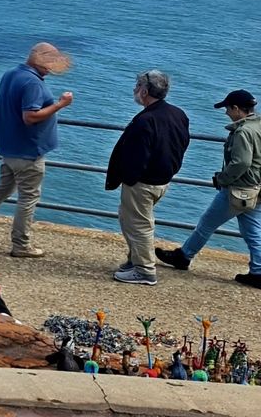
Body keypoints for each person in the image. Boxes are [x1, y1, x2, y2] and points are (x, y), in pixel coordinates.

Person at [0, 42, 74, 258]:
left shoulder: (11, 74)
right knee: (28, 197)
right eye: (51, 62)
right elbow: (30, 116)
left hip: (10, 146)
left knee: (2, 188)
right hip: (28, 151)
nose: (52, 67)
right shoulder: (33, 83)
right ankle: (21, 244)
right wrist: (60, 104)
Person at [157, 89, 261, 288]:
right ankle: (258, 271)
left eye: (227, 109)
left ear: (237, 108)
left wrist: (222, 178)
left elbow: (241, 163)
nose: (226, 113)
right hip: (256, 189)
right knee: (253, 231)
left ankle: (184, 256)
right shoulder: (258, 125)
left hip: (238, 189)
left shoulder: (243, 131)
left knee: (206, 224)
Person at [103, 70, 189, 285]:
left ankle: (145, 270)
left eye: (137, 86)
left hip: (143, 183)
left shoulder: (146, 120)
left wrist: (129, 178)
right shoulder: (178, 114)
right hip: (162, 179)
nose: (135, 90)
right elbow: (182, 143)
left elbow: (138, 155)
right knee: (129, 219)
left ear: (144, 91)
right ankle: (135, 260)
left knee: (139, 225)